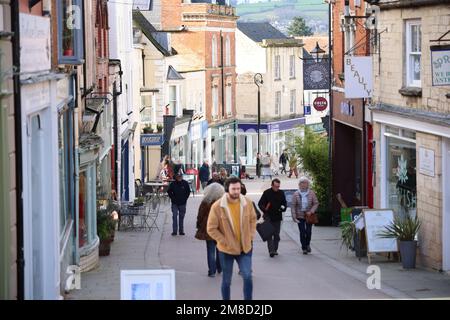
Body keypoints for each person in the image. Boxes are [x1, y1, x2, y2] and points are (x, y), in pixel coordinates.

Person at [207, 177, 257, 300]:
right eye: (233, 189)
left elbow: (253, 220)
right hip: (226, 250)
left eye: (238, 188)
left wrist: (250, 236)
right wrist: (224, 241)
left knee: (247, 276)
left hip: (244, 248)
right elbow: (211, 228)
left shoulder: (247, 203)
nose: (236, 191)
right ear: (227, 189)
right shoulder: (217, 206)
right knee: (227, 281)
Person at [195, 183, 224, 277]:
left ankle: (212, 271)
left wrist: (199, 225)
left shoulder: (205, 202)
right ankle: (220, 268)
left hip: (209, 229)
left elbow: (200, 215)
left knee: (210, 250)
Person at [258, 179, 287, 257]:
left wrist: (282, 208)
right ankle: (271, 250)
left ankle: (275, 249)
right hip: (268, 216)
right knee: (269, 234)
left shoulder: (281, 193)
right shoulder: (266, 193)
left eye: (278, 186)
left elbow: (284, 203)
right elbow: (260, 203)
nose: (277, 188)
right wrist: (264, 209)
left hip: (277, 216)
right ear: (272, 185)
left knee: (276, 235)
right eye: (275, 186)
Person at [291, 177, 319, 254]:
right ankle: (304, 248)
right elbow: (293, 205)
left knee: (308, 231)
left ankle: (307, 244)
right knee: (302, 232)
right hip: (300, 216)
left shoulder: (311, 193)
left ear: (308, 184)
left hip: (309, 216)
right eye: (301, 183)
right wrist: (294, 216)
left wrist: (311, 211)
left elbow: (316, 203)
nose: (303, 185)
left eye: (305, 183)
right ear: (299, 185)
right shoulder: (296, 194)